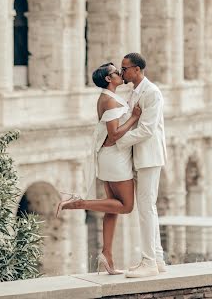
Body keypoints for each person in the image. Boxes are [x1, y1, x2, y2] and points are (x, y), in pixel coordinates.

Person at [56, 62, 141, 275]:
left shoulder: (109, 97)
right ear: (108, 79)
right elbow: (113, 134)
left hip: (110, 156)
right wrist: (134, 118)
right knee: (126, 206)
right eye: (115, 72)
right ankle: (77, 203)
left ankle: (107, 256)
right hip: (115, 157)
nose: (120, 74)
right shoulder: (109, 101)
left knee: (112, 210)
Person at [117, 52, 167, 278]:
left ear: (137, 70)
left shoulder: (152, 92)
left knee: (146, 208)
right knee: (148, 208)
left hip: (149, 156)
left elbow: (147, 128)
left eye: (125, 68)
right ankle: (157, 258)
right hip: (141, 156)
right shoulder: (134, 92)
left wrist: (118, 141)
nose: (122, 72)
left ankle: (149, 261)